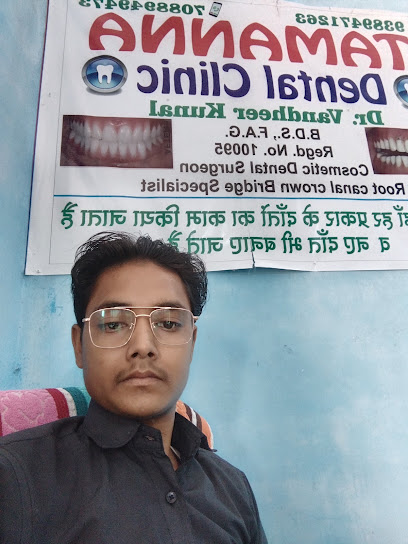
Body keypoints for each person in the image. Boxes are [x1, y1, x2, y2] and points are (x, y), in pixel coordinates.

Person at [0, 231, 267, 543]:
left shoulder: (232, 487)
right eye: (113, 323)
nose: (143, 346)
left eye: (168, 323)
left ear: (191, 343)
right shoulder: (15, 476)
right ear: (79, 346)